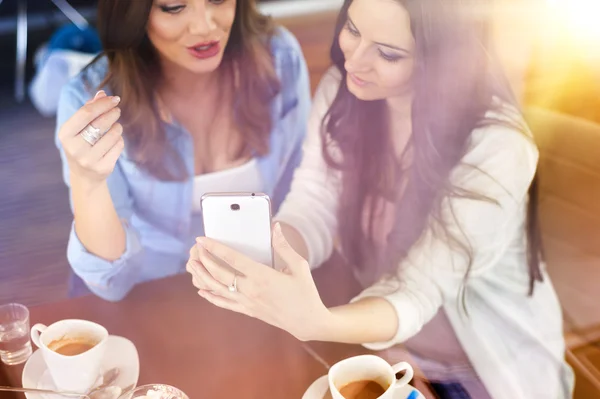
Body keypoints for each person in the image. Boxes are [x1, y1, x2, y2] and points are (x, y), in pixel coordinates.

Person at [186, 0, 574, 398]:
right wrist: (264, 254)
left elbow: (417, 289)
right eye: (353, 30)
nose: (354, 60)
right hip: (391, 352)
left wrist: (318, 322)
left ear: (440, 58)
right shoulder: (346, 89)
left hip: (486, 369)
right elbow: (314, 204)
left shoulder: (497, 146)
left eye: (388, 53)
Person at [55, 0, 310, 301]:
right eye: (174, 7)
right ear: (132, 13)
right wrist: (88, 182)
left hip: (253, 288)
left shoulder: (280, 58)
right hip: (148, 294)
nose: (204, 27)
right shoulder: (88, 97)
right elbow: (112, 281)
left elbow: (303, 193)